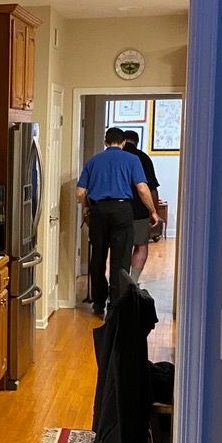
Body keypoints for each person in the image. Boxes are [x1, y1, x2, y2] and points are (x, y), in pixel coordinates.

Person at [77, 127, 160, 317]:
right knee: (120, 259)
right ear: (123, 143)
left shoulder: (93, 161)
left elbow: (80, 192)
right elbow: (142, 189)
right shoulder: (132, 160)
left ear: (105, 142)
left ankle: (99, 302)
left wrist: (87, 206)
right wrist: (152, 211)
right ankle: (115, 304)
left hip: (98, 211)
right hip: (122, 210)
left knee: (98, 256)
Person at [121, 128, 160, 281]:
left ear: (123, 140)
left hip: (119, 207)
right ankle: (134, 281)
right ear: (137, 142)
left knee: (121, 248)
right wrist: (154, 211)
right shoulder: (143, 158)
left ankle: (119, 283)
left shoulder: (116, 158)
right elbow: (151, 188)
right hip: (140, 209)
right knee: (141, 245)